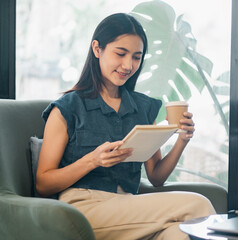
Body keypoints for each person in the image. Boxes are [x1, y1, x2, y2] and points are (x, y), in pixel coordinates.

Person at [36, 13, 215, 240]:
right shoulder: (67, 108)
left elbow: (156, 177)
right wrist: (92, 160)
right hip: (82, 209)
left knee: (178, 234)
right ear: (97, 49)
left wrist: (182, 140)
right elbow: (43, 183)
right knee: (199, 204)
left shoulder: (142, 108)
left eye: (137, 57)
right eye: (120, 54)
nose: (128, 65)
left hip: (130, 209)